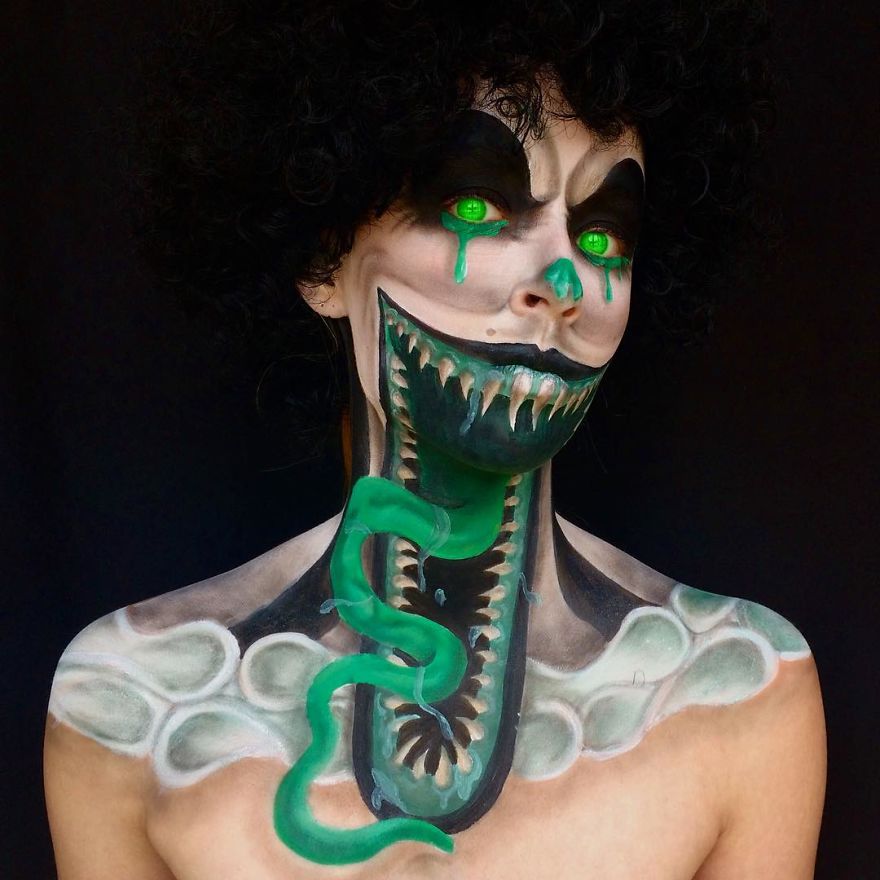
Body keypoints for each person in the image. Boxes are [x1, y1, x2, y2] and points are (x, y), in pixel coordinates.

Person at [44, 1, 826, 877]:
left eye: (603, 234)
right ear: (323, 259)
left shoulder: (742, 691)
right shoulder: (127, 706)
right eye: (476, 204)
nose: (563, 279)